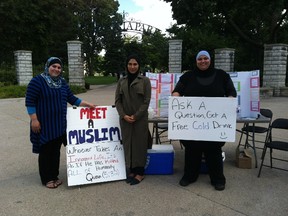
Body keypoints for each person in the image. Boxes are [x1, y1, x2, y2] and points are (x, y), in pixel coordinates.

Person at [25, 57, 95, 189]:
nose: (56, 69)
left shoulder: (62, 82)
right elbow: (30, 101)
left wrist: (88, 104)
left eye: (59, 67)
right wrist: (34, 119)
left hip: (59, 125)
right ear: (48, 66)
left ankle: (54, 176)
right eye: (54, 66)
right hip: (44, 125)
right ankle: (47, 179)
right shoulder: (37, 81)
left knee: (55, 152)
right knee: (46, 151)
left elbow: (72, 99)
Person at [172, 50, 237, 191]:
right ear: (196, 61)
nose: (203, 61)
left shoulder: (222, 75)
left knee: (214, 152)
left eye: (205, 58)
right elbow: (177, 91)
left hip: (214, 126)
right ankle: (189, 176)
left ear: (210, 59)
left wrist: (230, 101)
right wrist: (175, 98)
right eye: (199, 59)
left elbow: (231, 92)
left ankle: (218, 179)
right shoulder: (187, 76)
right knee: (191, 151)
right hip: (192, 125)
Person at [115, 54, 151, 185]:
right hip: (125, 119)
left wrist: (136, 116)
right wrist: (123, 115)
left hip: (139, 119)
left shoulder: (145, 80)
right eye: (130, 64)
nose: (132, 66)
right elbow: (118, 101)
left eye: (135, 64)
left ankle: (140, 172)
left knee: (140, 145)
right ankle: (131, 170)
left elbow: (146, 101)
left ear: (139, 66)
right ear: (126, 65)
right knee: (128, 144)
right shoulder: (122, 81)